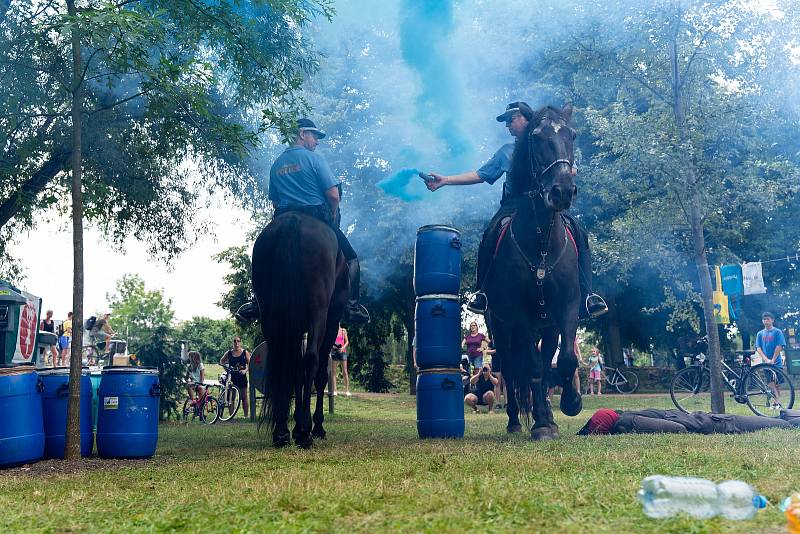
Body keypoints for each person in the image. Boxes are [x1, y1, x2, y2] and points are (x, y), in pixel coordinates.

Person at [424, 101, 607, 319]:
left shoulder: (550, 139)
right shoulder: (506, 152)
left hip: (547, 204)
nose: (508, 126)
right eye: (506, 122)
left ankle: (588, 295)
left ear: (525, 119)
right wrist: (446, 180)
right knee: (489, 235)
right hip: (514, 206)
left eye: (511, 119)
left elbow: (569, 168)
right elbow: (481, 175)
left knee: (579, 233)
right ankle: (481, 292)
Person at [235, 118, 369, 325]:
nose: (317, 141)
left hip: (283, 215)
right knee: (351, 259)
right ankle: (352, 307)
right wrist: (332, 217)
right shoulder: (314, 160)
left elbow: (275, 201)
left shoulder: (277, 163)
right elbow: (333, 195)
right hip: (316, 215)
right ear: (301, 134)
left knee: (261, 255)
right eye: (314, 135)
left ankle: (255, 303)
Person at [577, 407, 793, 435]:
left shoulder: (629, 422)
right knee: (773, 420)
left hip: (717, 424)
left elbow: (678, 429)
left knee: (779, 424)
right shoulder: (625, 416)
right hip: (709, 419)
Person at [755, 311, 787, 407]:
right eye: (764, 319)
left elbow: (779, 346)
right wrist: (765, 359)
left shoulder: (777, 332)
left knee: (776, 384)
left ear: (772, 320)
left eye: (768, 319)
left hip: (776, 363)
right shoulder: (760, 334)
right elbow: (758, 347)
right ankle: (776, 401)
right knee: (770, 383)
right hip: (765, 363)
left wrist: (773, 359)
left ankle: (777, 401)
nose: (766, 321)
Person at [544, 336, 585, 401]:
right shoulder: (551, 336)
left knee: (561, 385)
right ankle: (549, 403)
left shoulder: (566, 336)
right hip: (552, 365)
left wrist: (579, 357)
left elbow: (576, 346)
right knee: (551, 387)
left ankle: (564, 401)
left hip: (560, 365)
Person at [220, 337, 251, 418]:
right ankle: (231, 416)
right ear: (232, 343)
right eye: (235, 341)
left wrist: (245, 370)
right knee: (231, 397)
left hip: (242, 377)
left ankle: (246, 416)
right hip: (232, 378)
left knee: (244, 397)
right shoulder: (229, 353)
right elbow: (222, 361)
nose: (236, 343)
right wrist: (227, 369)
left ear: (240, 342)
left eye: (238, 341)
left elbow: (250, 364)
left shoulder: (245, 352)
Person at [330, 325, 351, 397]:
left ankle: (347, 390)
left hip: (342, 352)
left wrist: (343, 347)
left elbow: (347, 341)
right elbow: (330, 341)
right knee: (334, 372)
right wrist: (333, 346)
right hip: (334, 351)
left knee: (345, 371)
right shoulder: (332, 330)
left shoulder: (343, 330)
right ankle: (335, 390)